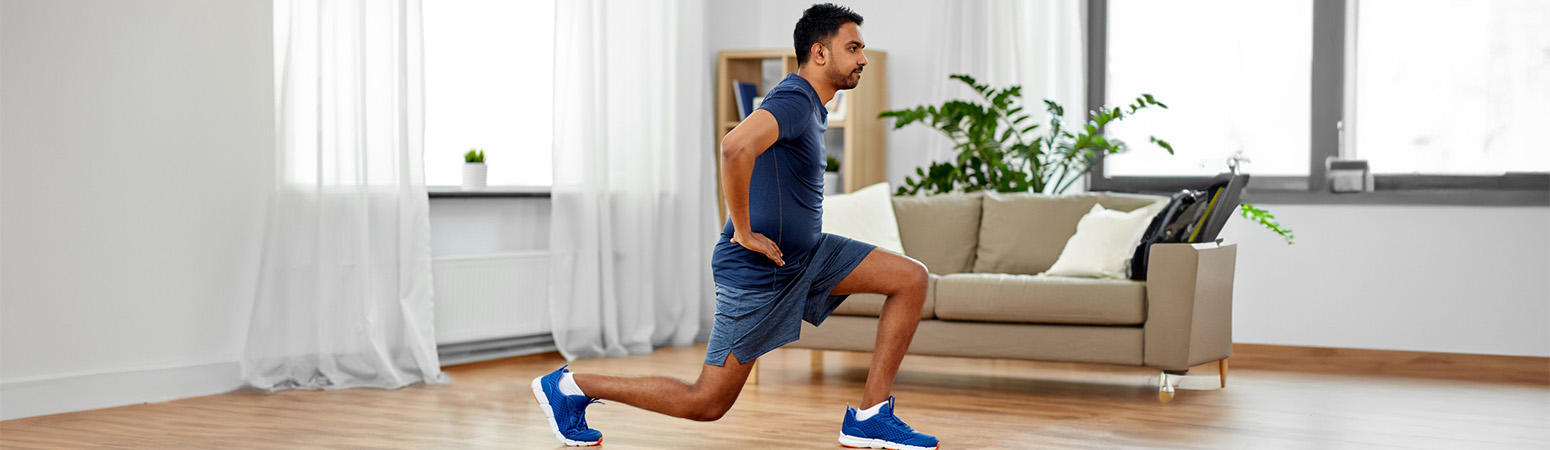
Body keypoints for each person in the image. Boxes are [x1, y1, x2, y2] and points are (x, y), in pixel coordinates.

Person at [531, 4, 936, 449]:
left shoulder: (815, 105)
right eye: (853, 47)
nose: (862, 57)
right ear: (819, 53)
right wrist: (742, 230)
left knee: (910, 278)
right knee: (707, 401)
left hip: (808, 255)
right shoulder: (796, 98)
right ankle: (572, 386)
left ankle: (869, 417)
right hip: (760, 268)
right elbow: (734, 146)